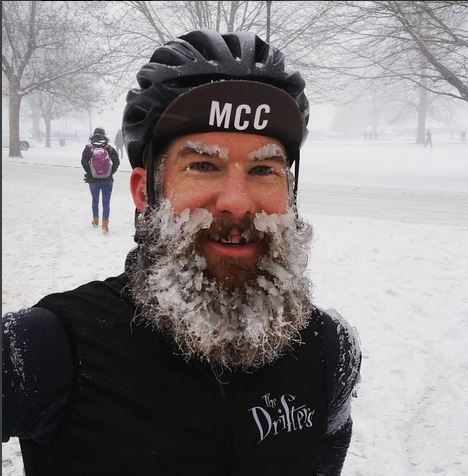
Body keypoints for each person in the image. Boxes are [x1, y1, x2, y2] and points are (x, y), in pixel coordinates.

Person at [2, 29, 361, 475]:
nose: (237, 201)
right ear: (143, 192)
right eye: (203, 166)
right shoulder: (42, 350)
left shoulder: (330, 351)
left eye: (264, 169)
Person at [81, 127, 120, 233]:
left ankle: (95, 220)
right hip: (108, 180)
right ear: (104, 135)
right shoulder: (109, 148)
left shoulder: (89, 148)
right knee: (106, 202)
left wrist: (90, 173)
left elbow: (83, 162)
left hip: (93, 181)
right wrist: (110, 172)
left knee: (95, 200)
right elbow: (116, 161)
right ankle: (105, 225)